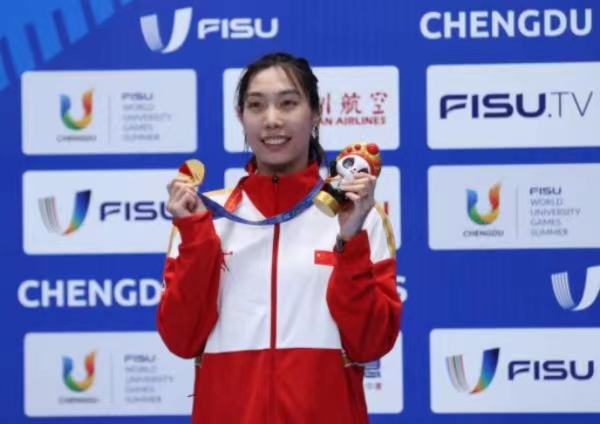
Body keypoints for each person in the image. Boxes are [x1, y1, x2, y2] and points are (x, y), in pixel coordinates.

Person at [158, 52, 402, 424]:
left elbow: (371, 343)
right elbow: (181, 339)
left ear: (316, 113)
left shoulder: (359, 215)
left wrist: (349, 242)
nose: (272, 120)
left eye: (288, 103)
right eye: (257, 105)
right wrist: (197, 238)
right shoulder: (204, 219)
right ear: (240, 116)